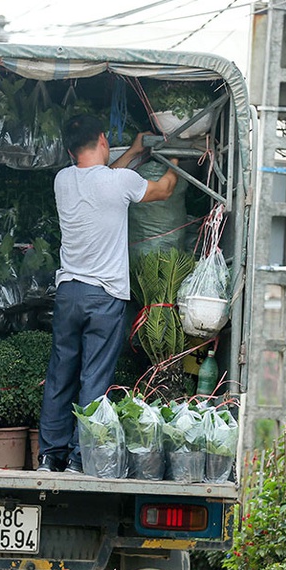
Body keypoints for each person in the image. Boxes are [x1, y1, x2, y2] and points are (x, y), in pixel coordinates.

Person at [37, 114, 178, 473]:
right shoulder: (122, 183)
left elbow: (105, 177)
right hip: (105, 298)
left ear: (70, 151)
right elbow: (163, 189)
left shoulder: (63, 180)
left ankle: (48, 456)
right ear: (102, 138)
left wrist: (132, 150)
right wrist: (176, 156)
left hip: (68, 294)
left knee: (60, 375)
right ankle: (79, 459)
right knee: (93, 379)